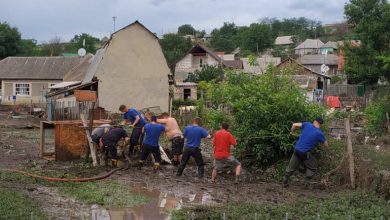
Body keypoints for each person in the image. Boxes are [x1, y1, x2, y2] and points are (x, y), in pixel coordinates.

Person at [283, 117, 328, 187]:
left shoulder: (307, 124)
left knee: (291, 167)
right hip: (304, 153)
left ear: (314, 121)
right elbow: (326, 145)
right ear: (321, 124)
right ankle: (306, 183)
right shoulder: (320, 133)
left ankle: (285, 181)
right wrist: (322, 139)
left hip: (296, 150)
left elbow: (294, 125)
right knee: (312, 167)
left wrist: (292, 132)